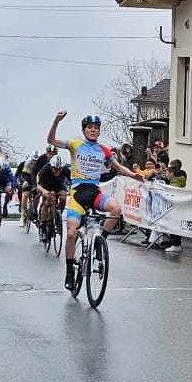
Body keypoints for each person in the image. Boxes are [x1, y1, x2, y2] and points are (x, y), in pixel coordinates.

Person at [48, 111, 142, 291]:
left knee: (116, 209)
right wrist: (56, 121)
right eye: (90, 127)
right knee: (71, 234)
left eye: (96, 128)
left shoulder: (104, 149)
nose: (93, 130)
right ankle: (69, 271)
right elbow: (51, 140)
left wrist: (133, 175)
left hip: (94, 192)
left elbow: (119, 168)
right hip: (78, 193)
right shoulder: (75, 144)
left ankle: (100, 242)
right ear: (84, 130)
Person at [36, 154, 69, 239]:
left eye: (60, 169)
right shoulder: (45, 170)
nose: (57, 171)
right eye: (55, 169)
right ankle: (43, 226)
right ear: (51, 167)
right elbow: (38, 186)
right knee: (48, 200)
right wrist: (44, 191)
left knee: (63, 197)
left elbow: (72, 181)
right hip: (47, 185)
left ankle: (58, 216)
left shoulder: (66, 170)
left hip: (59, 185)